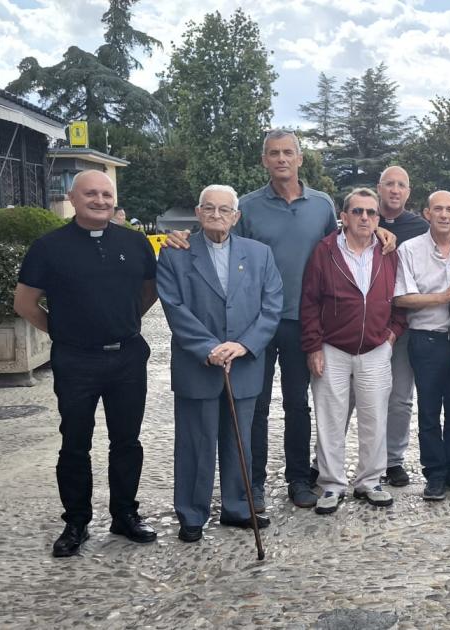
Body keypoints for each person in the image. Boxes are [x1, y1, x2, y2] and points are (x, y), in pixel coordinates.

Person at [163, 130, 393, 510]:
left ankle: (299, 479)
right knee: (254, 406)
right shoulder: (248, 207)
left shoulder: (320, 205)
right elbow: (218, 238)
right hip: (252, 325)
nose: (281, 158)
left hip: (303, 321)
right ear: (264, 160)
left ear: (300, 158)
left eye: (288, 152)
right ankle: (250, 483)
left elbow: (340, 245)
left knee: (298, 405)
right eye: (274, 153)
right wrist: (180, 237)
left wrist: (382, 230)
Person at [13, 170, 158, 557]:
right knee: (74, 443)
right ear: (73, 199)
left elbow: (149, 290)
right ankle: (76, 522)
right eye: (90, 194)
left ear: (115, 199)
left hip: (127, 356)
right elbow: (24, 303)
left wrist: (123, 323)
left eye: (106, 194)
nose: (99, 200)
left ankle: (124, 514)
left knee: (126, 442)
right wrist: (62, 332)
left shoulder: (135, 242)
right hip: (76, 360)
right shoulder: (48, 247)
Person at [156, 185, 282, 541]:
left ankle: (238, 507)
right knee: (195, 443)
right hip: (198, 365)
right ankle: (192, 513)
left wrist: (243, 345)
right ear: (197, 213)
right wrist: (208, 347)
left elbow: (272, 307)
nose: (216, 216)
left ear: (236, 216)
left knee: (238, 440)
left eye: (224, 210)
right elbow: (174, 308)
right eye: (209, 209)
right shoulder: (175, 254)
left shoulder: (260, 255)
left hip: (243, 364)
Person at [301, 188, 407, 513]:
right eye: (358, 212)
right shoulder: (325, 250)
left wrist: (392, 335)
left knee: (375, 416)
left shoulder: (389, 252)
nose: (365, 217)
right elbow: (309, 301)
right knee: (330, 418)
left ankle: (370, 481)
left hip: (376, 348)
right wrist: (313, 346)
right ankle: (331, 484)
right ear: (344, 217)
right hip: (332, 348)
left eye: (371, 213)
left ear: (378, 218)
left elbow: (400, 298)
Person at [393, 191, 450, 501]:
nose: (443, 214)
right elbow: (401, 298)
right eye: (437, 209)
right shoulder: (410, 250)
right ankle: (434, 475)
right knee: (429, 411)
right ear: (426, 213)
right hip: (426, 339)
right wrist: (443, 297)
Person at [373, 166, 429, 489]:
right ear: (379, 188)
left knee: (400, 397)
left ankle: (393, 459)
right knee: (348, 397)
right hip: (363, 323)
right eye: (389, 184)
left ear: (408, 193)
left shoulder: (419, 227)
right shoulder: (363, 216)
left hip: (403, 325)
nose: (395, 190)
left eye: (401, 185)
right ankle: (325, 462)